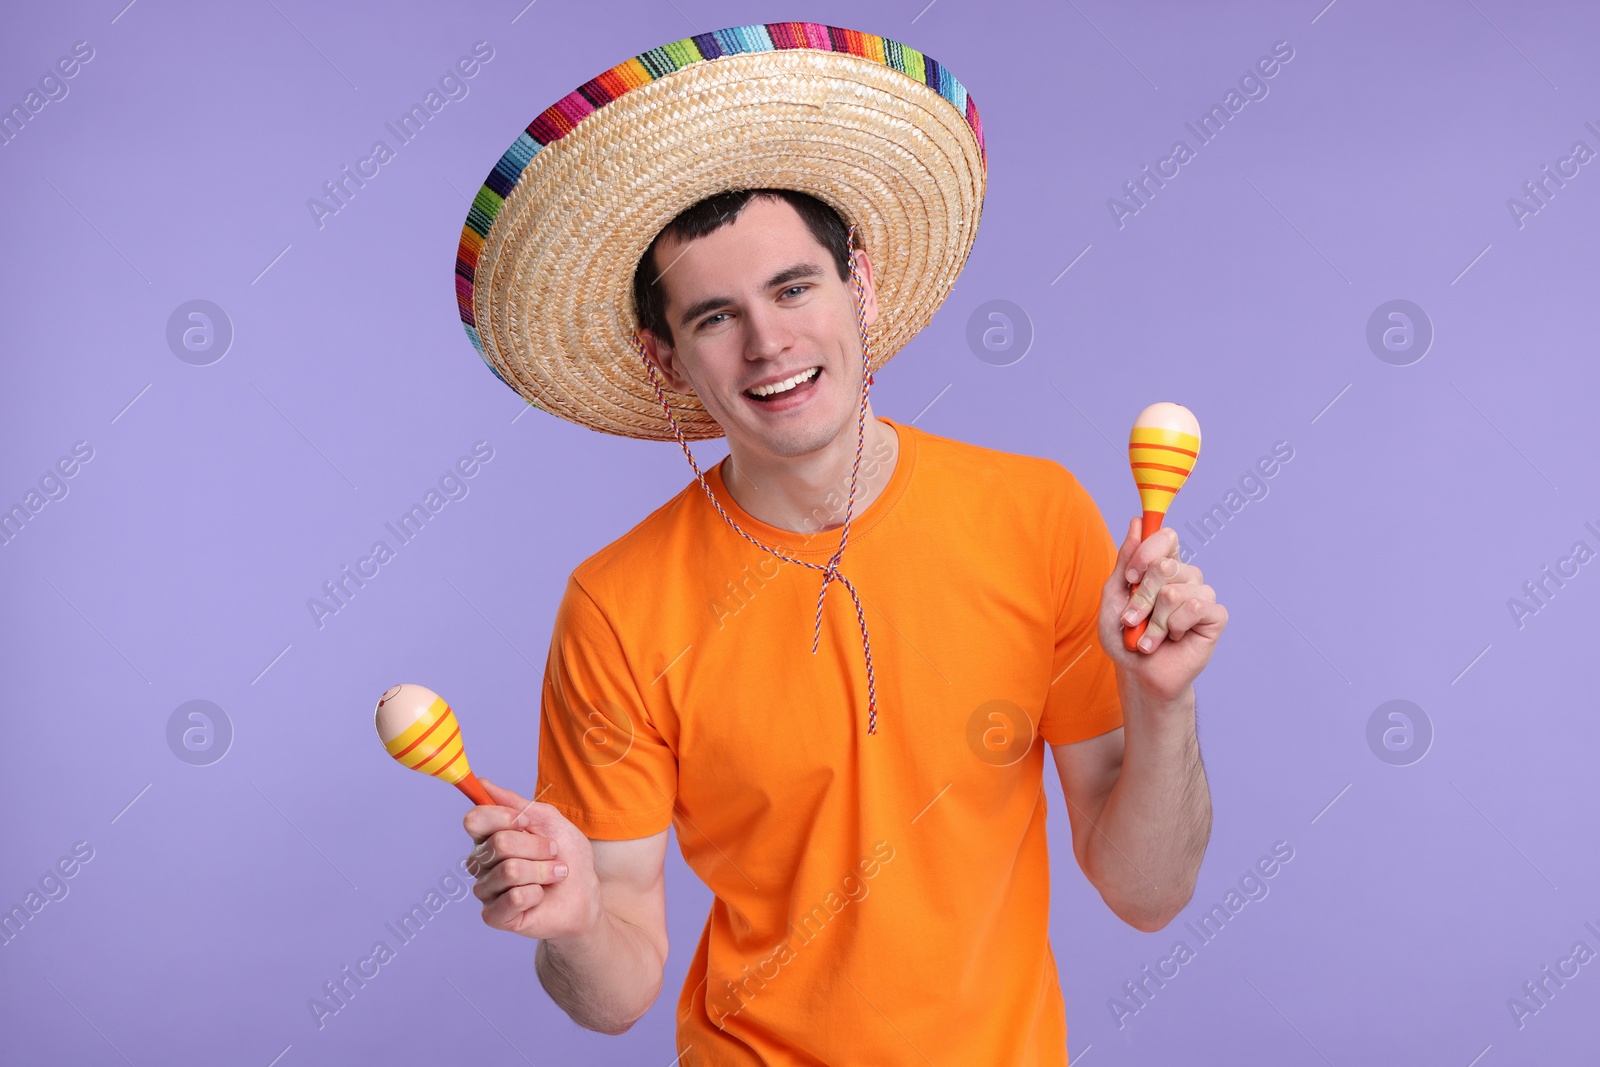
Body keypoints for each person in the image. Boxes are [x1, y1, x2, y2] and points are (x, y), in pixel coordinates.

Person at [451, 23, 1226, 1066]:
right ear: (666, 358)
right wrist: (576, 916)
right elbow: (614, 986)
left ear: (857, 282)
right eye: (715, 316)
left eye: (792, 287)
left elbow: (1146, 890)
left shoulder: (1035, 514)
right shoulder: (617, 602)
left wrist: (1162, 702)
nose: (769, 342)